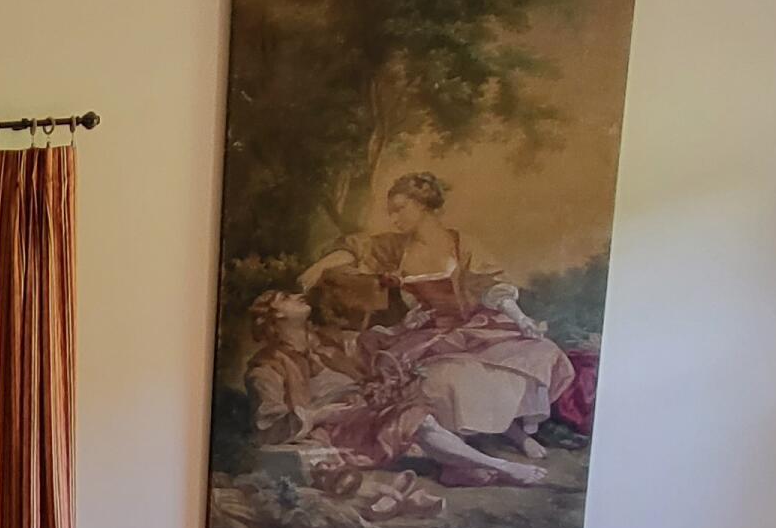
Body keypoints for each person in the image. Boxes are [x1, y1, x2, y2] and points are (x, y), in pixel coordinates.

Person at [295, 172, 575, 471]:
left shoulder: (460, 242)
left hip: (473, 326)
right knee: (449, 379)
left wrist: (521, 319)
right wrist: (318, 268)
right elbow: (356, 250)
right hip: (426, 335)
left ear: (422, 206)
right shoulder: (396, 247)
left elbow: (490, 285)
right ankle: (492, 441)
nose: (394, 218)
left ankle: (516, 435)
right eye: (391, 211)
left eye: (400, 209)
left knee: (536, 353)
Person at [242, 287, 538, 493]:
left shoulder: (321, 339)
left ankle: (455, 467)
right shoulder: (266, 366)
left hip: (363, 407)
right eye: (285, 298)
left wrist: (401, 328)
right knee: (416, 419)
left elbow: (363, 343)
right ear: (276, 317)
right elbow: (268, 424)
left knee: (425, 397)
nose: (296, 295)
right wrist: (320, 414)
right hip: (337, 427)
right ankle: (503, 467)